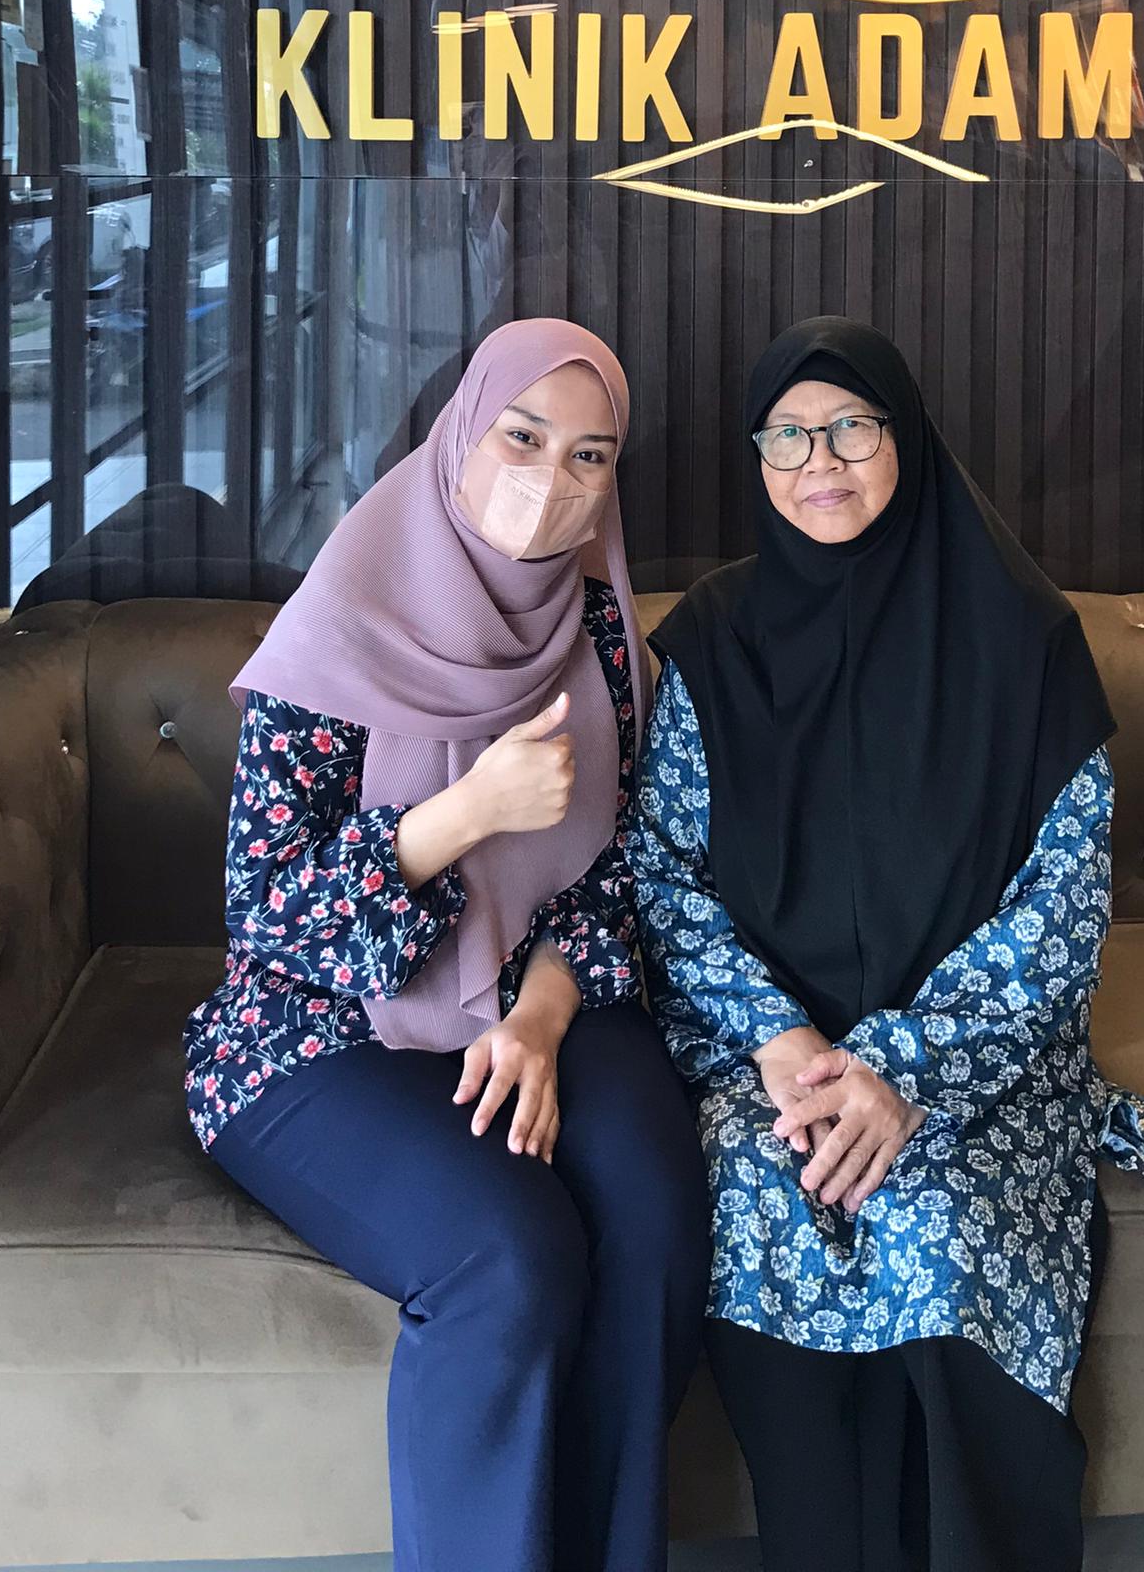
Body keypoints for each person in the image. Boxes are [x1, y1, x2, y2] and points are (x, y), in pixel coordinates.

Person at [631, 317, 1144, 1572]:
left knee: (934, 1218)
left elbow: (1061, 905)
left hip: (979, 1060)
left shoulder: (1023, 638)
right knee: (764, 1187)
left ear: (909, 439)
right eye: (787, 436)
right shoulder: (713, 639)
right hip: (770, 1062)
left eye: (851, 427)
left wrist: (903, 1066)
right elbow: (662, 871)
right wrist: (781, 1040)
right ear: (757, 460)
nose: (820, 461)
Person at [184, 319, 708, 1572]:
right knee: (509, 1257)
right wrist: (462, 816)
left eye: (589, 456)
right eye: (522, 437)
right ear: (462, 434)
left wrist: (539, 1016)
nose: (550, 479)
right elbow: (267, 906)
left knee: (652, 1216)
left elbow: (616, 868)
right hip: (319, 1029)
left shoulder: (600, 633)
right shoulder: (348, 618)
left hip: (538, 997)